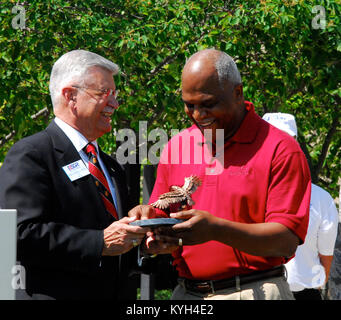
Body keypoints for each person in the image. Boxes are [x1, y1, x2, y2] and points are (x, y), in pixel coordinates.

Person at [144, 49, 311, 300]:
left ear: (237, 93)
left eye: (209, 104)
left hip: (254, 291)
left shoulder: (280, 148)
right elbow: (161, 211)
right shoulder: (177, 146)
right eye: (190, 105)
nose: (198, 115)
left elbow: (285, 240)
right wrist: (148, 224)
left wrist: (216, 230)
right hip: (187, 294)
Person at [0, 50, 154, 300]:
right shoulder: (32, 154)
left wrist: (144, 237)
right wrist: (98, 243)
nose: (114, 103)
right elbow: (18, 234)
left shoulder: (109, 166)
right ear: (71, 96)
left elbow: (117, 244)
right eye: (105, 93)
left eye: (115, 95)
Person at [262, 112, 339, 300]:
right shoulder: (321, 198)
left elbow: (326, 256)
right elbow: (325, 258)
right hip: (266, 291)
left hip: (282, 292)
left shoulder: (321, 198)